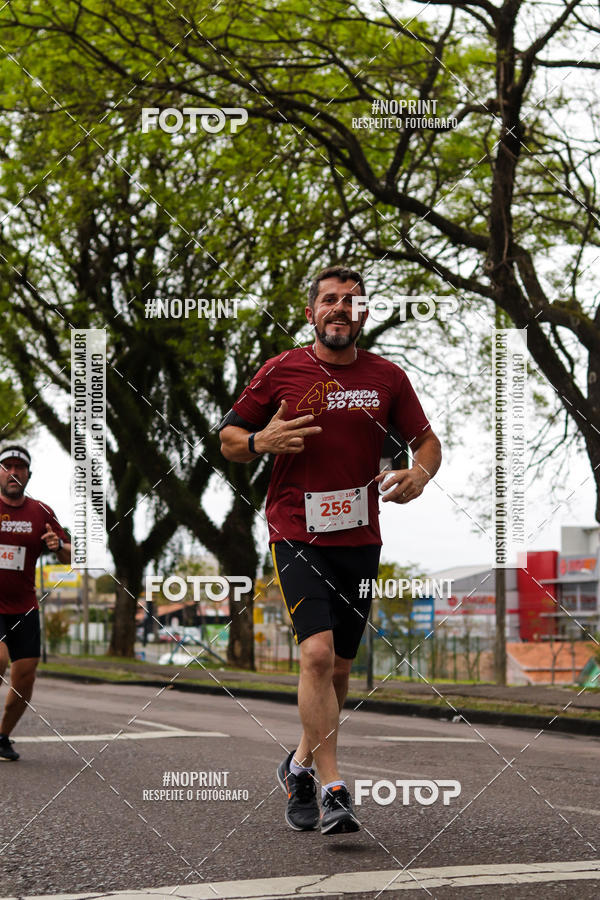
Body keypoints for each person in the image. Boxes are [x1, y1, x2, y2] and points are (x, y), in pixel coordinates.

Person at [220, 265, 441, 834]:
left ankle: (297, 766)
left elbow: (427, 442)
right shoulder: (281, 370)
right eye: (330, 301)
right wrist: (258, 441)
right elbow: (227, 440)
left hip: (360, 539)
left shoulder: (388, 377)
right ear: (311, 312)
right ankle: (333, 785)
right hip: (295, 531)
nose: (341, 310)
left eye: (352, 301)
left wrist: (420, 473)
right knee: (315, 656)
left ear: (363, 312)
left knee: (340, 666)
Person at [0, 445, 71, 760]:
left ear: (28, 474)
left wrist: (58, 547)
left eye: (20, 467)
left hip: (25, 606)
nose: (13, 472)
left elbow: (70, 554)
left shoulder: (41, 512)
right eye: (7, 466)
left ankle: (2, 737)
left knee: (26, 677)